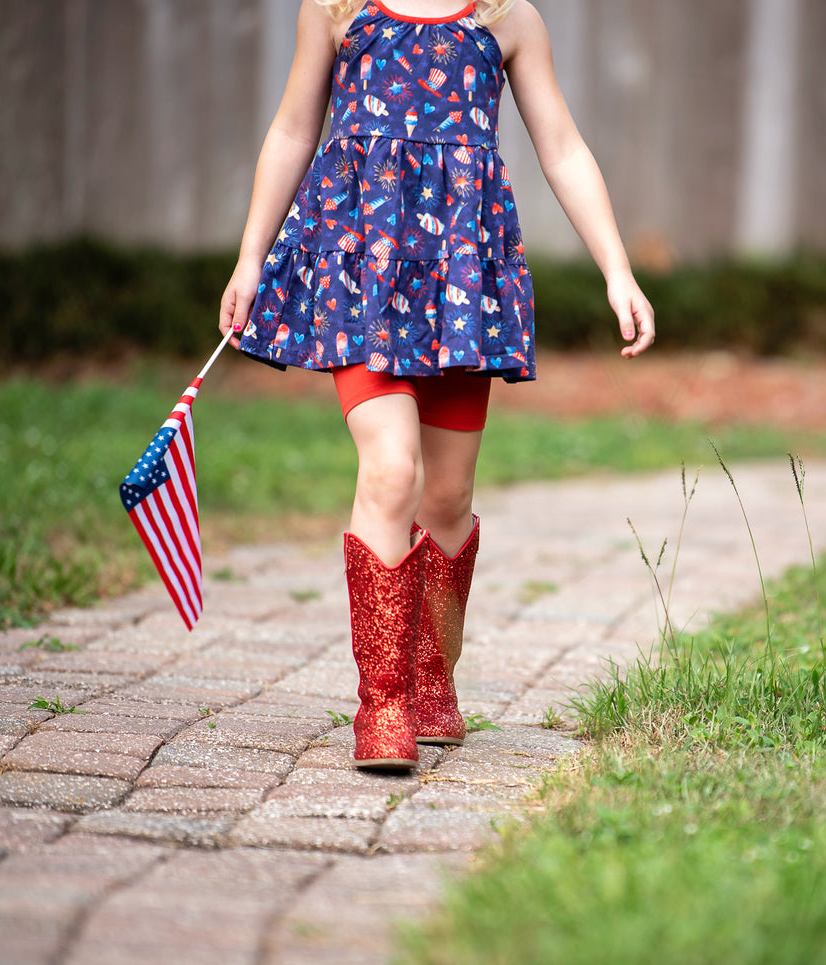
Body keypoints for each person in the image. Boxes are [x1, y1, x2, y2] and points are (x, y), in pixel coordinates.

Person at [218, 0, 654, 769]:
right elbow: (292, 129)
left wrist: (617, 270)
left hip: (460, 278)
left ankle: (429, 677)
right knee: (391, 469)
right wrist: (251, 255)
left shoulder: (505, 18)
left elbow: (563, 149)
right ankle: (381, 701)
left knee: (447, 497)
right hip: (362, 266)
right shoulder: (337, 8)